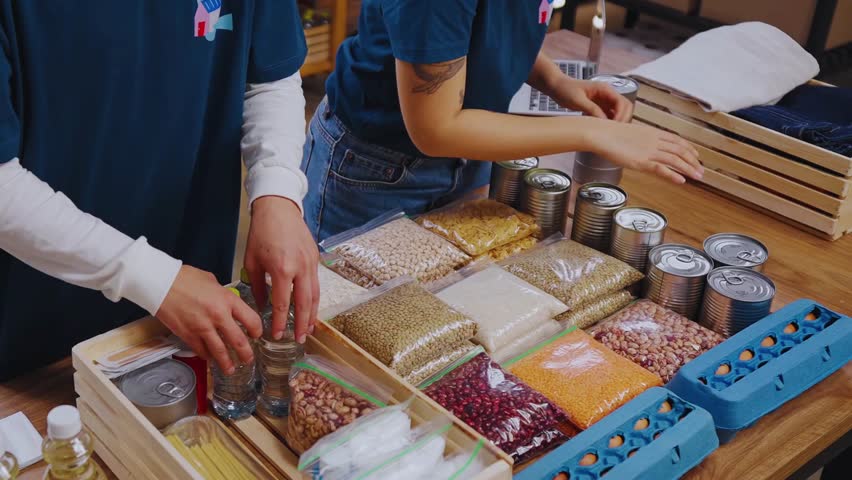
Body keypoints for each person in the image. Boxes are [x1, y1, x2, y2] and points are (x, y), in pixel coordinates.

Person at [0, 0, 319, 381]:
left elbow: (269, 74)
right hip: (40, 315)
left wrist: (277, 191)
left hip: (196, 297)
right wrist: (150, 277)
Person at [301, 0, 702, 242]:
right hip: (374, 172)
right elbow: (437, 130)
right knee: (342, 332)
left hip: (472, 148)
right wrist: (593, 132)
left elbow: (496, 28)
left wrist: (555, 82)